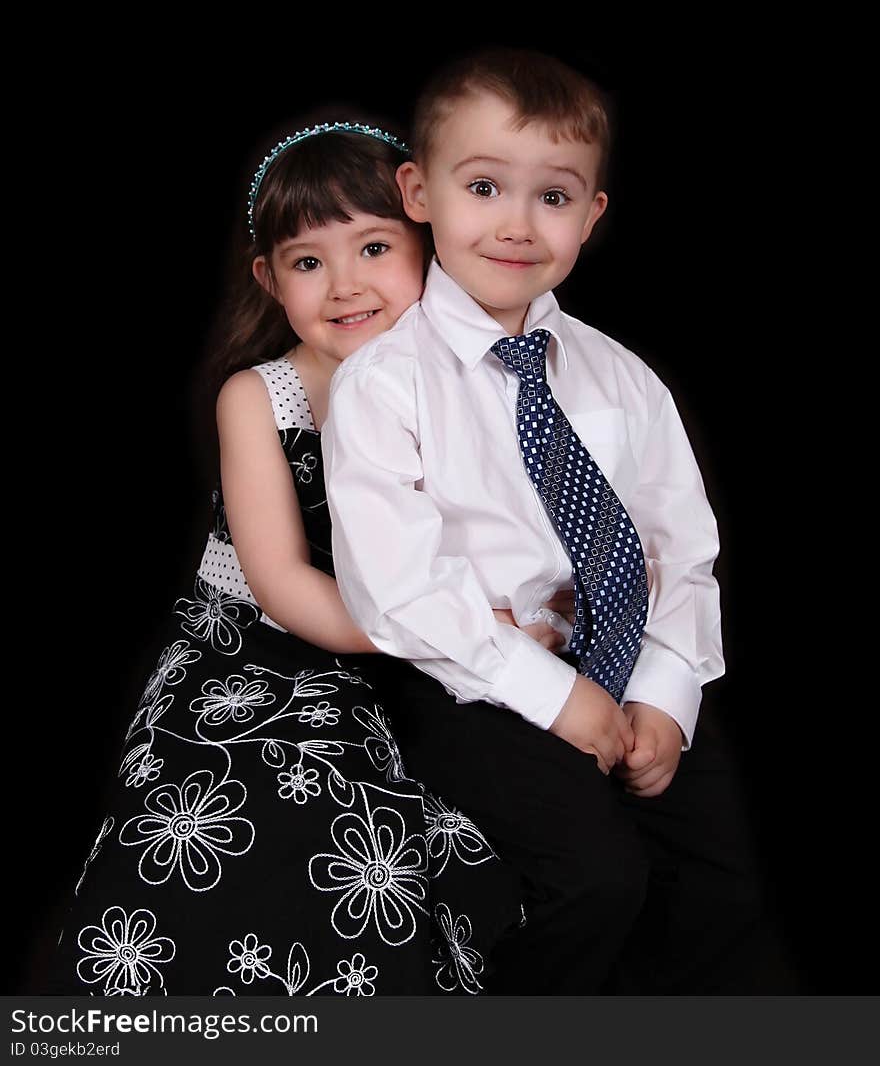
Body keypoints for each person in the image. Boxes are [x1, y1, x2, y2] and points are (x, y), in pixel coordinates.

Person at [322, 51, 777, 995]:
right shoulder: (386, 382)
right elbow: (397, 587)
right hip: (473, 676)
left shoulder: (619, 377)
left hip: (624, 662)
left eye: (555, 198)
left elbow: (681, 549)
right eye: (484, 186)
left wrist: (666, 694)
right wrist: (556, 695)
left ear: (593, 215)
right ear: (420, 191)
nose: (518, 225)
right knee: (594, 881)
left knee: (721, 885)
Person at [46, 118, 530, 997]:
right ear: (270, 280)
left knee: (420, 838)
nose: (346, 284)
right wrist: (451, 631)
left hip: (389, 653)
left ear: (430, 244)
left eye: (375, 246)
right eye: (309, 262)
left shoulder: (463, 382)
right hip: (255, 646)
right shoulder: (259, 397)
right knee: (245, 817)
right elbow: (281, 582)